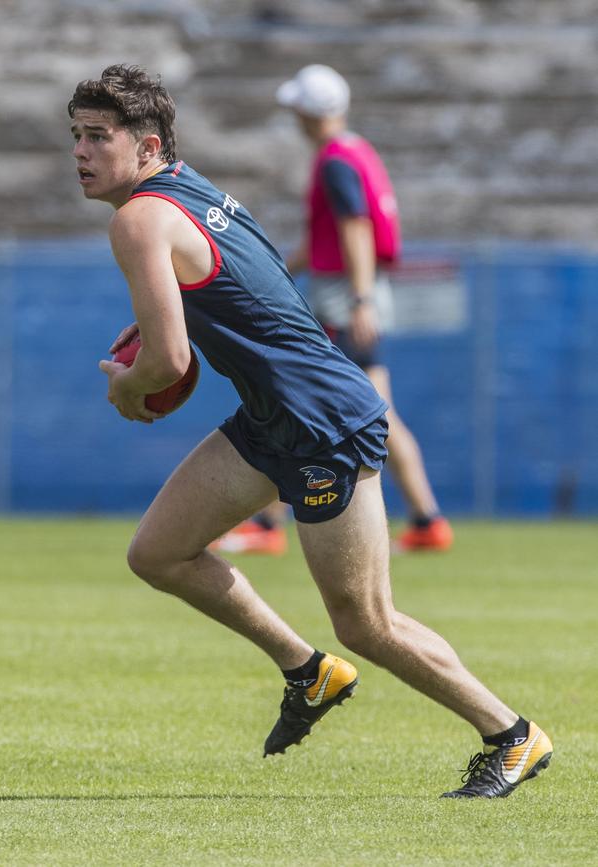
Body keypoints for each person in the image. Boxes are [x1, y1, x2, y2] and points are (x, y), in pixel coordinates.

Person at [69, 64, 552, 798]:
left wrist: (127, 386)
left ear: (148, 147)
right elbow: (245, 279)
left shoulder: (137, 219)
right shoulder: (193, 187)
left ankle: (513, 736)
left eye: (97, 136)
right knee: (158, 552)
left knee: (368, 622)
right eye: (75, 135)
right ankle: (307, 669)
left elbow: (167, 361)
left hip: (320, 420)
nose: (79, 151)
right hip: (272, 416)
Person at [215, 65, 455, 557]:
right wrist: (275, 271)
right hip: (351, 296)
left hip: (343, 301)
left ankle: (266, 523)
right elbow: (331, 235)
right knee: (370, 414)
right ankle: (427, 520)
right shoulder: (356, 151)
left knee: (302, 403)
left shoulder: (334, 161)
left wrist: (360, 299)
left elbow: (355, 227)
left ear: (307, 112)